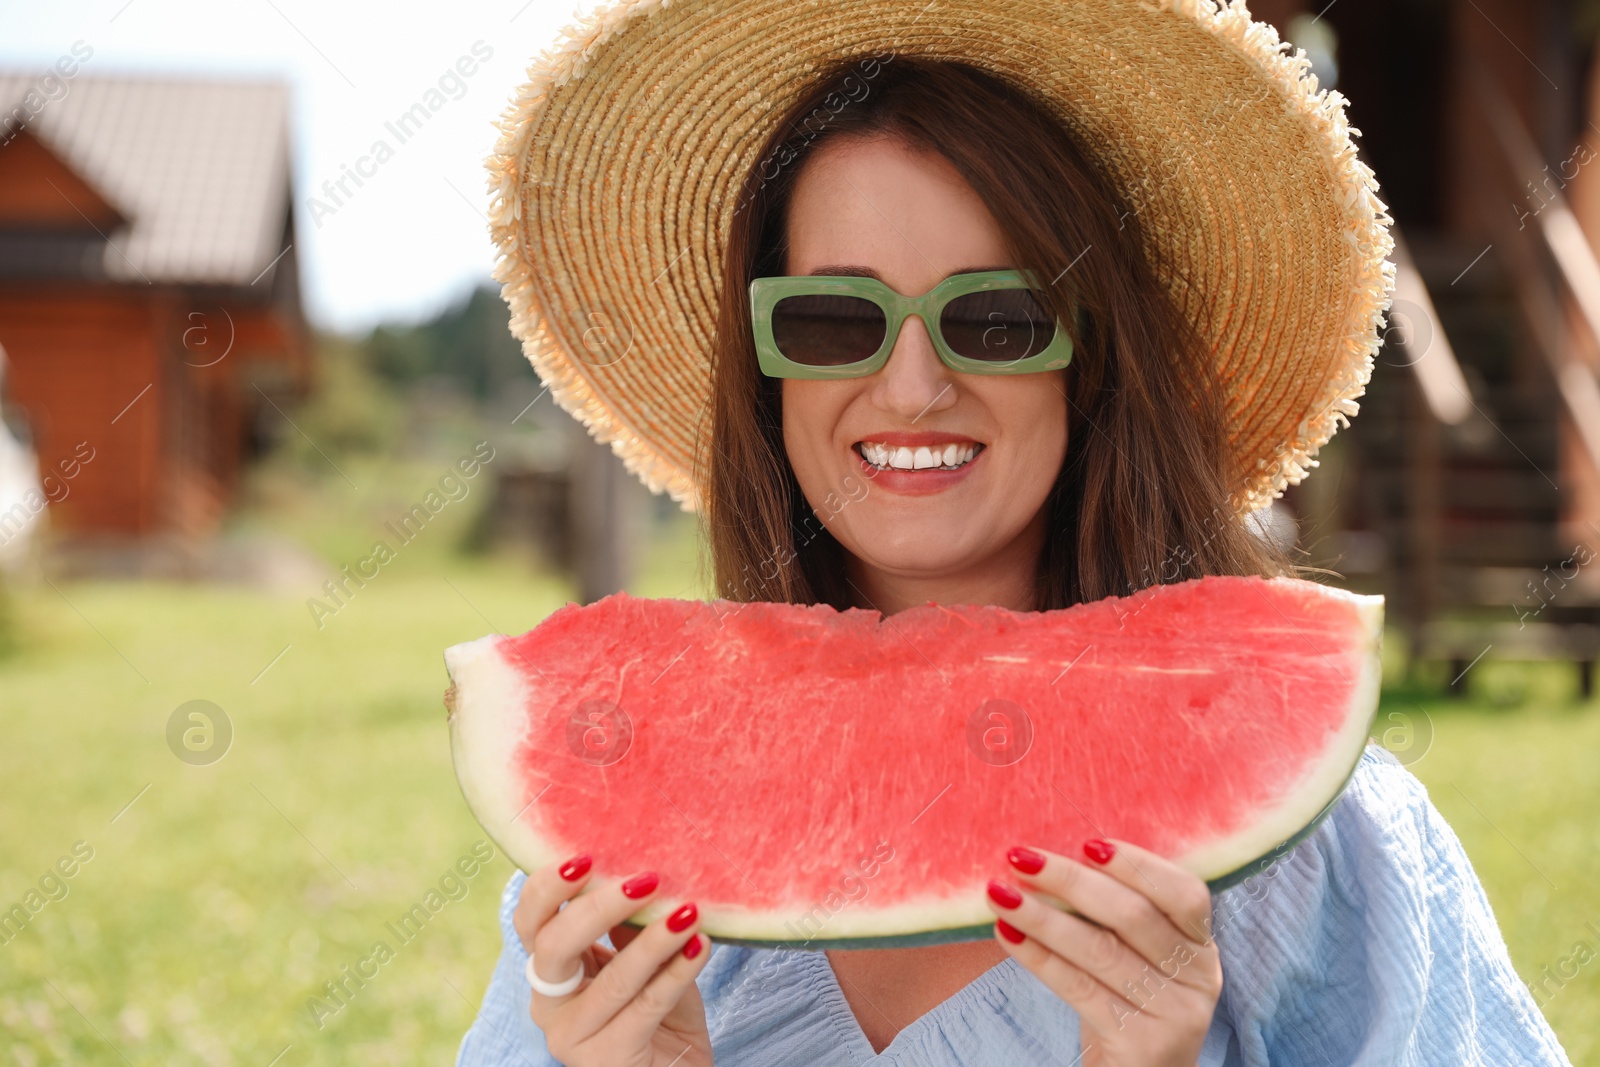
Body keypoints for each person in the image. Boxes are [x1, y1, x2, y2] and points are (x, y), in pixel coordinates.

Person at [459, 2, 1575, 1063]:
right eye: (831, 318)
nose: (909, 385)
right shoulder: (613, 880)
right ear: (767, 372)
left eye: (996, 317)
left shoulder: (1329, 847)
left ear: (1090, 358)